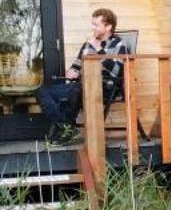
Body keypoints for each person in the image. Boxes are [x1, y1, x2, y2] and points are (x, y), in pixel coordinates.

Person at [37, 8, 130, 145]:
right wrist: (72, 72)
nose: (93, 28)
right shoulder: (87, 45)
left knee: (77, 89)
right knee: (42, 91)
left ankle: (65, 129)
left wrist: (98, 49)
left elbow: (116, 71)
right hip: (80, 86)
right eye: (93, 24)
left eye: (96, 25)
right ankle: (66, 125)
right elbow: (77, 65)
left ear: (108, 26)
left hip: (104, 87)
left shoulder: (119, 44)